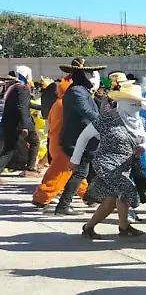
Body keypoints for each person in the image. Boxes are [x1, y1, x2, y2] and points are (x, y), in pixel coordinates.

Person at [71, 80, 146, 239]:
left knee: (111, 199)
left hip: (124, 167)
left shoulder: (139, 122)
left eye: (138, 103)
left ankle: (89, 228)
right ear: (122, 102)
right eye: (132, 103)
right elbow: (84, 136)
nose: (135, 107)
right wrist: (75, 160)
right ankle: (124, 227)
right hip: (106, 163)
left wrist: (143, 148)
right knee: (126, 189)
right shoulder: (107, 118)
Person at [55, 59, 106, 216]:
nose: (93, 78)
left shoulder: (81, 90)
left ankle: (94, 198)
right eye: (90, 74)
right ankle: (63, 205)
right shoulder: (77, 91)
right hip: (78, 138)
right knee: (81, 171)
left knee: (88, 170)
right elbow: (87, 112)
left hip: (85, 137)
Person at [31, 74, 88, 207]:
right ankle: (42, 197)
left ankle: (88, 194)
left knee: (75, 172)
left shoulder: (58, 102)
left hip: (56, 141)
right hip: (65, 143)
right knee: (59, 173)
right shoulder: (67, 104)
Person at [0, 66, 37, 177]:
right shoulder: (23, 88)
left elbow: (25, 104)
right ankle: (30, 169)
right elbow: (22, 107)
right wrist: (25, 125)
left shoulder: (14, 87)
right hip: (18, 123)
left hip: (9, 122)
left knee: (9, 149)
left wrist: (42, 107)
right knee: (34, 142)